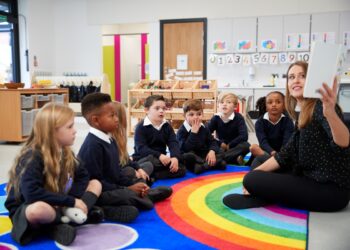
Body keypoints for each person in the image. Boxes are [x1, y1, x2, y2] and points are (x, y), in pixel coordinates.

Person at [223, 61, 350, 212]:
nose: (296, 80)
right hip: (309, 177)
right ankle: (263, 192)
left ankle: (262, 195)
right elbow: (284, 156)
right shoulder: (303, 114)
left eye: (302, 76)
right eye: (291, 77)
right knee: (258, 166)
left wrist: (330, 112)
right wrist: (254, 173)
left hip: (330, 192)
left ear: (312, 80)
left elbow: (343, 142)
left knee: (252, 179)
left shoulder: (321, 107)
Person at [5, 103, 102, 246]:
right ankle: (55, 227)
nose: (75, 131)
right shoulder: (32, 157)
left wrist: (72, 197)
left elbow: (83, 175)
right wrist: (70, 202)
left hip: (59, 201)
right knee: (39, 210)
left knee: (96, 184)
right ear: (52, 132)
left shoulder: (66, 152)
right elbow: (32, 194)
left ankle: (72, 215)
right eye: (70, 127)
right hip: (30, 205)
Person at [78, 93, 172, 223]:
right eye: (112, 116)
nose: (117, 119)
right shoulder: (92, 146)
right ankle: (103, 210)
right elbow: (96, 184)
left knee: (137, 185)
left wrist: (132, 184)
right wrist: (127, 189)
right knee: (129, 198)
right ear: (95, 120)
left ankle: (141, 196)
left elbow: (117, 173)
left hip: (114, 186)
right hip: (99, 194)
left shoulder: (110, 140)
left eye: (116, 115)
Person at [132, 95, 187, 179]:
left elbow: (173, 143)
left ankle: (152, 175)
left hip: (161, 160)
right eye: (157, 108)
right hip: (144, 158)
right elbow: (142, 149)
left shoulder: (167, 126)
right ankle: (147, 172)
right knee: (150, 162)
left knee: (181, 167)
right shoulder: (140, 127)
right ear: (146, 110)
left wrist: (175, 158)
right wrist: (159, 155)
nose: (161, 111)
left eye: (163, 108)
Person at [176, 99, 227, 174]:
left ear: (202, 115)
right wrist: (193, 133)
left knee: (221, 151)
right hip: (191, 155)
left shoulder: (204, 127)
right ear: (184, 116)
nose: (196, 117)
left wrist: (212, 151)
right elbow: (185, 149)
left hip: (203, 154)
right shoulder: (181, 131)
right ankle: (210, 164)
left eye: (199, 114)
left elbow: (212, 141)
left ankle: (203, 166)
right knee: (187, 156)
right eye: (191, 115)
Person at [111, 101, 154, 186]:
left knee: (148, 164)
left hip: (127, 166)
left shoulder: (120, 136)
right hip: (119, 174)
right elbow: (114, 168)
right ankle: (141, 182)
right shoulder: (110, 139)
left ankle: (141, 181)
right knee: (130, 171)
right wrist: (134, 171)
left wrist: (138, 169)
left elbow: (126, 158)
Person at [249, 91, 294, 169]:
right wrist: (272, 152)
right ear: (266, 106)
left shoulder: (288, 121)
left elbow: (287, 142)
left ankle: (273, 165)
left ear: (284, 106)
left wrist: (279, 155)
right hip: (266, 153)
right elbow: (263, 142)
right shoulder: (260, 122)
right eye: (270, 102)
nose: (274, 105)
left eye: (278, 102)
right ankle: (276, 166)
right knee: (253, 147)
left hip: (283, 154)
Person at [207, 92, 250, 165]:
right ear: (218, 105)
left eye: (228, 102)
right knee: (207, 145)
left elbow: (244, 136)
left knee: (246, 146)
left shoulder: (239, 118)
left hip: (234, 146)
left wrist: (229, 145)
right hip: (221, 146)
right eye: (221, 102)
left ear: (235, 106)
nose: (224, 104)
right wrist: (219, 143)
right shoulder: (216, 118)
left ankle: (219, 158)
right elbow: (206, 133)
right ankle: (234, 159)